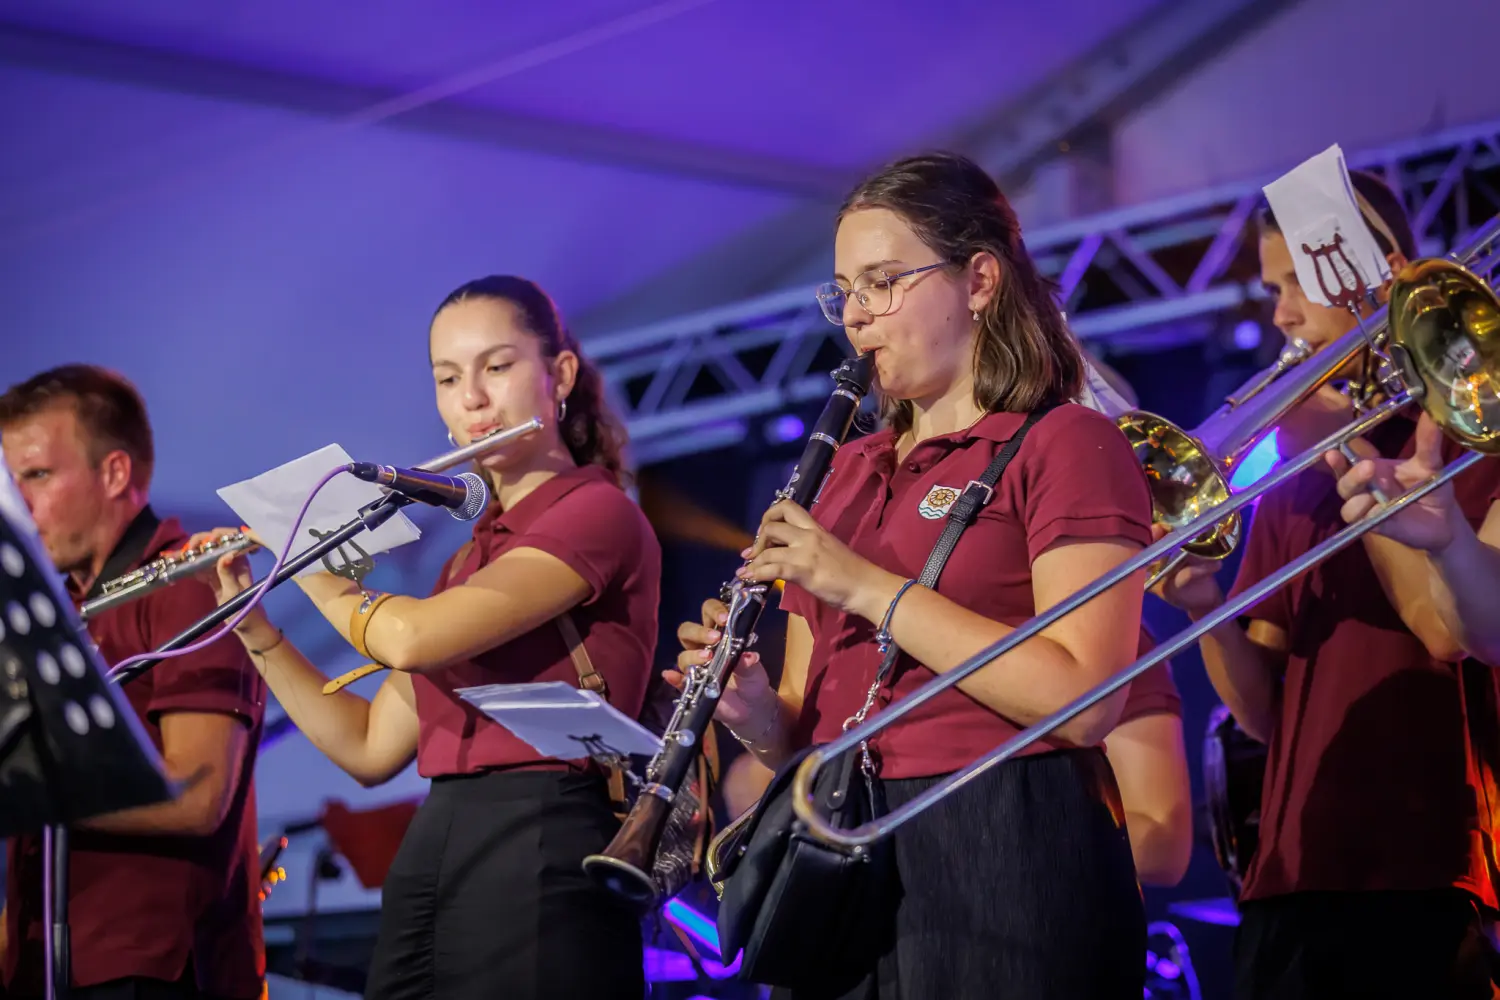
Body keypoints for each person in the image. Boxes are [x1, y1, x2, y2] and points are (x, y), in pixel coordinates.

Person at [672, 152, 1154, 998]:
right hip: (842, 847)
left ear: (978, 281)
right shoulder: (839, 472)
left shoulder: (1066, 442)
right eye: (845, 291)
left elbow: (1087, 698)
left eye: (884, 282)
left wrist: (863, 585)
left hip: (1007, 838)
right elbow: (809, 725)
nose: (856, 317)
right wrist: (757, 719)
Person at [188, 275, 656, 1000]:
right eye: (447, 377)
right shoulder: (467, 559)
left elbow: (408, 639)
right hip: (440, 839)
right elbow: (371, 750)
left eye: (496, 367)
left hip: (543, 832)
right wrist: (255, 627)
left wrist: (305, 555)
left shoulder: (596, 513)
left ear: (558, 375)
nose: (471, 399)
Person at [1152, 169, 1500, 999]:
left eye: (1292, 286)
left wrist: (1349, 440)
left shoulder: (1469, 448)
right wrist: (1206, 611)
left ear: (1371, 278)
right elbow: (1265, 714)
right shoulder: (1293, 481)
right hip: (1287, 878)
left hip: (1425, 866)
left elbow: (1448, 634)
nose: (1279, 316)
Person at [0, 365, 266, 1000]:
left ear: (115, 474)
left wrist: (30, 793)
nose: (19, 502)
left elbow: (198, 799)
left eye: (37, 474)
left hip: (148, 968)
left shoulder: (187, 584)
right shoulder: (53, 604)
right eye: (10, 482)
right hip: (48, 964)